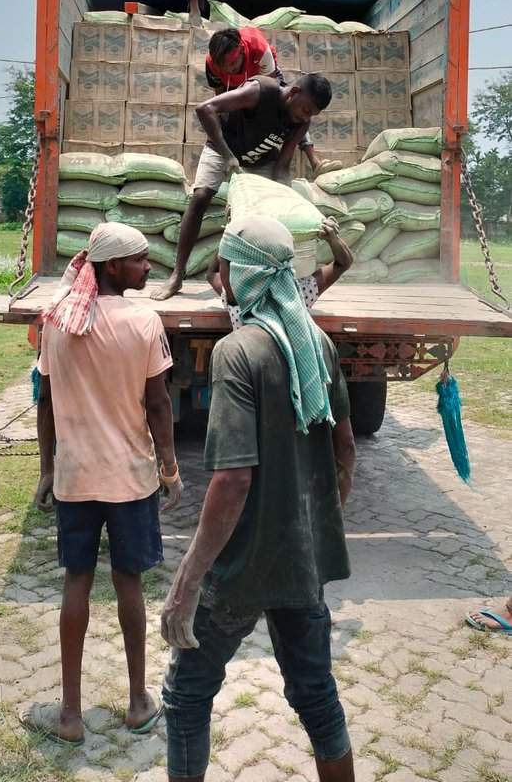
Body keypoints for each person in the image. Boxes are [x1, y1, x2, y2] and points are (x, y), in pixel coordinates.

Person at [160, 214, 356, 782]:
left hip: (241, 568)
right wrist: (314, 528)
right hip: (301, 564)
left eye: (222, 262)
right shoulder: (316, 343)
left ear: (236, 271)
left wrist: (187, 580)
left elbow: (232, 480)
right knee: (317, 696)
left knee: (187, 697)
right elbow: (345, 451)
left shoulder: (237, 352)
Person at [21, 223, 184, 748]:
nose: (149, 267)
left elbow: (44, 402)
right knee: (129, 585)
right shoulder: (143, 320)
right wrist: (170, 467)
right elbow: (157, 404)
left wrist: (47, 469)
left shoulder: (59, 321)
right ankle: (139, 703)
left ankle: (70, 714)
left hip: (75, 477)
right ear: (113, 267)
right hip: (130, 478)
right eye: (140, 260)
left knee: (76, 582)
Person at [151, 72, 332, 301]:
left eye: (312, 115)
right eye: (306, 110)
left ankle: (256, 279)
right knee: (200, 197)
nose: (306, 117)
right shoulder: (261, 91)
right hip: (222, 147)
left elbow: (283, 165)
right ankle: (177, 275)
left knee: (267, 218)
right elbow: (205, 109)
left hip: (260, 160)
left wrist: (282, 194)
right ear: (294, 92)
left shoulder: (300, 124)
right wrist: (227, 155)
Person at [206, 26, 341, 180]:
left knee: (295, 111)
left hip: (262, 78)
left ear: (242, 50)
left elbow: (270, 95)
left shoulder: (260, 49)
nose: (228, 70)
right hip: (238, 87)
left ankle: (315, 162)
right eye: (223, 67)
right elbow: (221, 97)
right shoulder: (213, 64)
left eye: (232, 64)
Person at [207, 214, 353, 329]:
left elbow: (212, 273)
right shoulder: (298, 294)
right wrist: (333, 239)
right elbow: (342, 264)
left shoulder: (237, 297)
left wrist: (230, 230)